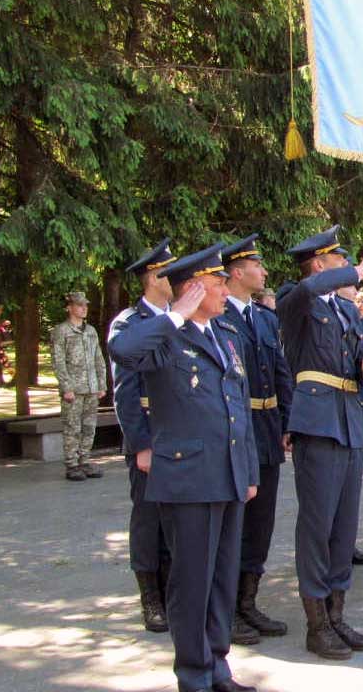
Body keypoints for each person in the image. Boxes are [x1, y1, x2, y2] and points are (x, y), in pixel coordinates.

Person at [108, 242, 260, 692]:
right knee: (191, 583)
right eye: (216, 283)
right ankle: (193, 674)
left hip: (229, 475)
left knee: (220, 581)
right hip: (188, 478)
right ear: (193, 289)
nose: (224, 289)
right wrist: (174, 315)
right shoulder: (164, 335)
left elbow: (239, 410)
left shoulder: (227, 335)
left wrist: (249, 471)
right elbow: (123, 351)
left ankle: (218, 666)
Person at [276, 225, 363, 660]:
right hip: (317, 422)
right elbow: (309, 287)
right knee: (317, 527)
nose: (346, 267)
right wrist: (357, 271)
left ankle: (338, 614)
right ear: (320, 264)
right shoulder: (296, 301)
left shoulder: (344, 313)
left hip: (348, 420)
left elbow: (353, 369)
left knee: (343, 528)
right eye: (339, 260)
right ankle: (316, 623)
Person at [219, 234, 292, 645]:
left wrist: (287, 420)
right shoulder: (217, 318)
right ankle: (225, 608)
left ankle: (248, 602)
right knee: (234, 522)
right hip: (237, 429)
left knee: (260, 524)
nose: (264, 271)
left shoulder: (264, 318)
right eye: (257, 265)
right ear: (237, 272)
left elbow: (280, 371)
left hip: (265, 428)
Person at [109, 238, 176, 633]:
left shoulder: (176, 319)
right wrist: (142, 445)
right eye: (169, 272)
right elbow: (125, 393)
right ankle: (150, 597)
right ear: (154, 277)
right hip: (151, 437)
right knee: (148, 520)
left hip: (179, 434)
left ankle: (170, 591)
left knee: (172, 519)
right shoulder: (129, 324)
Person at [51, 291, 107, 481]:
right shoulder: (62, 331)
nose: (84, 308)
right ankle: (72, 464)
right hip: (74, 389)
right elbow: (58, 362)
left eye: (85, 305)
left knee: (89, 426)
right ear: (70, 307)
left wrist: (101, 383)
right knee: (72, 427)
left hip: (91, 387)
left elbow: (98, 358)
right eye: (80, 305)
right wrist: (66, 387)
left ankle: (85, 460)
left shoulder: (90, 331)